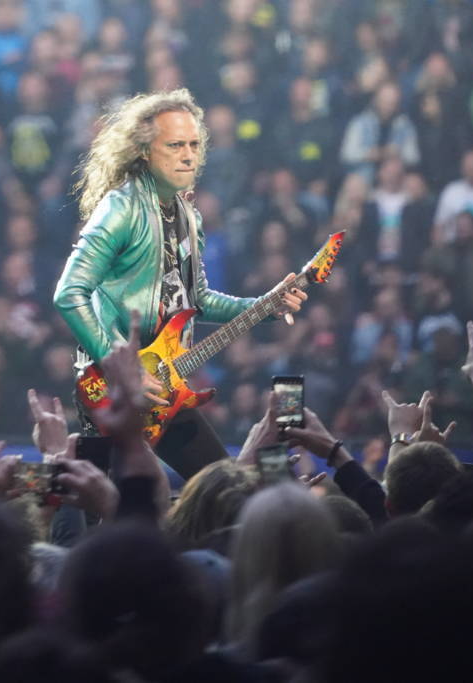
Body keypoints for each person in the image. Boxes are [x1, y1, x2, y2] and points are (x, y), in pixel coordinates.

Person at [53, 89, 306, 479]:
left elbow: (197, 299)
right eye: (174, 145)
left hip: (163, 386)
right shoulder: (121, 208)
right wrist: (121, 365)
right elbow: (69, 292)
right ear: (143, 151)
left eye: (194, 145)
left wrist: (264, 305)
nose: (188, 155)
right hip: (114, 390)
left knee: (223, 488)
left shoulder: (189, 216)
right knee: (110, 507)